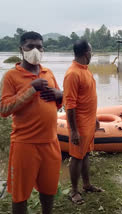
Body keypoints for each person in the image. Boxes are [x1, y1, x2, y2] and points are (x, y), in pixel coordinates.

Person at [0, 31, 63, 214]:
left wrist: (60, 95)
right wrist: (31, 88)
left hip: (50, 142)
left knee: (49, 190)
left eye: (39, 46)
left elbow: (59, 99)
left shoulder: (48, 72)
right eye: (30, 46)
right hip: (24, 144)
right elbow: (4, 109)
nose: (35, 50)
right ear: (21, 49)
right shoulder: (11, 76)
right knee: (20, 195)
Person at [63, 39, 103, 205]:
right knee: (76, 157)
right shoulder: (73, 74)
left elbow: (87, 99)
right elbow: (70, 105)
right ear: (87, 53)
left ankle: (86, 185)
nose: (91, 54)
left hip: (88, 123)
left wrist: (94, 118)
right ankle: (74, 191)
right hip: (79, 126)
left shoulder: (85, 70)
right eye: (91, 51)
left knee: (85, 154)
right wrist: (73, 131)